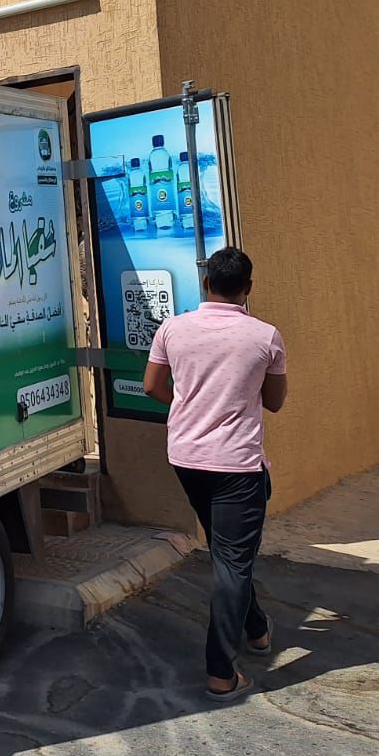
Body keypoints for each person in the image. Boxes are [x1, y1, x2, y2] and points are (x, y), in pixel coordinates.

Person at [143, 246, 287, 701]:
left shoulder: (173, 328)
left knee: (228, 555)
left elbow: (151, 386)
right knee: (232, 563)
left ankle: (258, 629)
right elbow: (276, 401)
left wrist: (188, 407)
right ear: (248, 288)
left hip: (186, 458)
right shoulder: (264, 336)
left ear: (206, 283)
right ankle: (221, 673)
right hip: (236, 466)